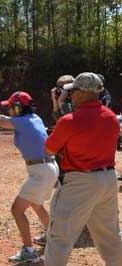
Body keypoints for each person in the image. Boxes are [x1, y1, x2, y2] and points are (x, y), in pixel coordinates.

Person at [0, 91, 59, 263]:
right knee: (37, 205)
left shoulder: (22, 122)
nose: (9, 110)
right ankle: (51, 237)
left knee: (17, 210)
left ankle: (28, 250)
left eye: (11, 107)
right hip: (49, 167)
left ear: (18, 108)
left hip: (40, 170)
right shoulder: (35, 118)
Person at [44, 72, 122, 266]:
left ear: (82, 93)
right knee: (110, 236)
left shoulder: (70, 120)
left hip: (80, 181)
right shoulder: (111, 117)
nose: (71, 95)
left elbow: (49, 148)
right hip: (108, 178)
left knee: (60, 237)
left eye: (74, 91)